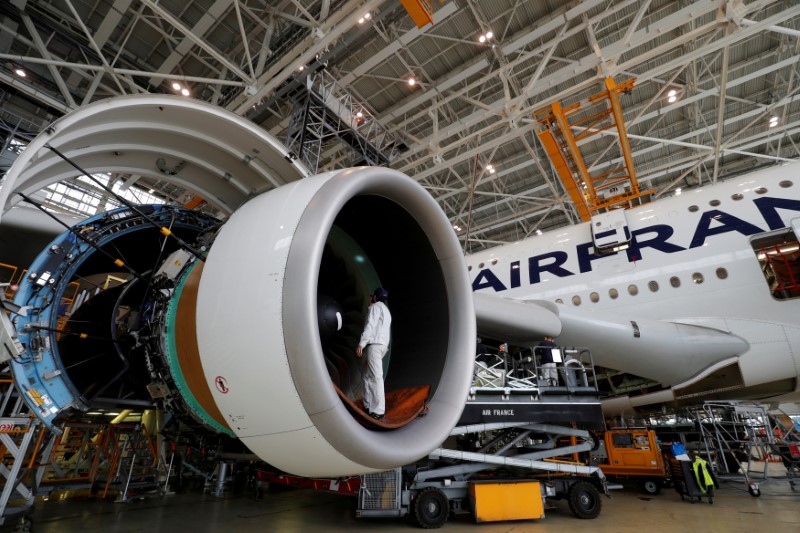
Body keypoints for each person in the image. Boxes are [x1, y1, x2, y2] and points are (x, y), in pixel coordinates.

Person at [357, 287, 391, 420]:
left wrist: (362, 343)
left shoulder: (375, 307)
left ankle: (378, 410)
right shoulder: (386, 311)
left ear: (375, 297)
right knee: (366, 374)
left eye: (372, 296)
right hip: (382, 346)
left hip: (374, 346)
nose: (370, 298)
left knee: (376, 376)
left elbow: (370, 325)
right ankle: (368, 405)